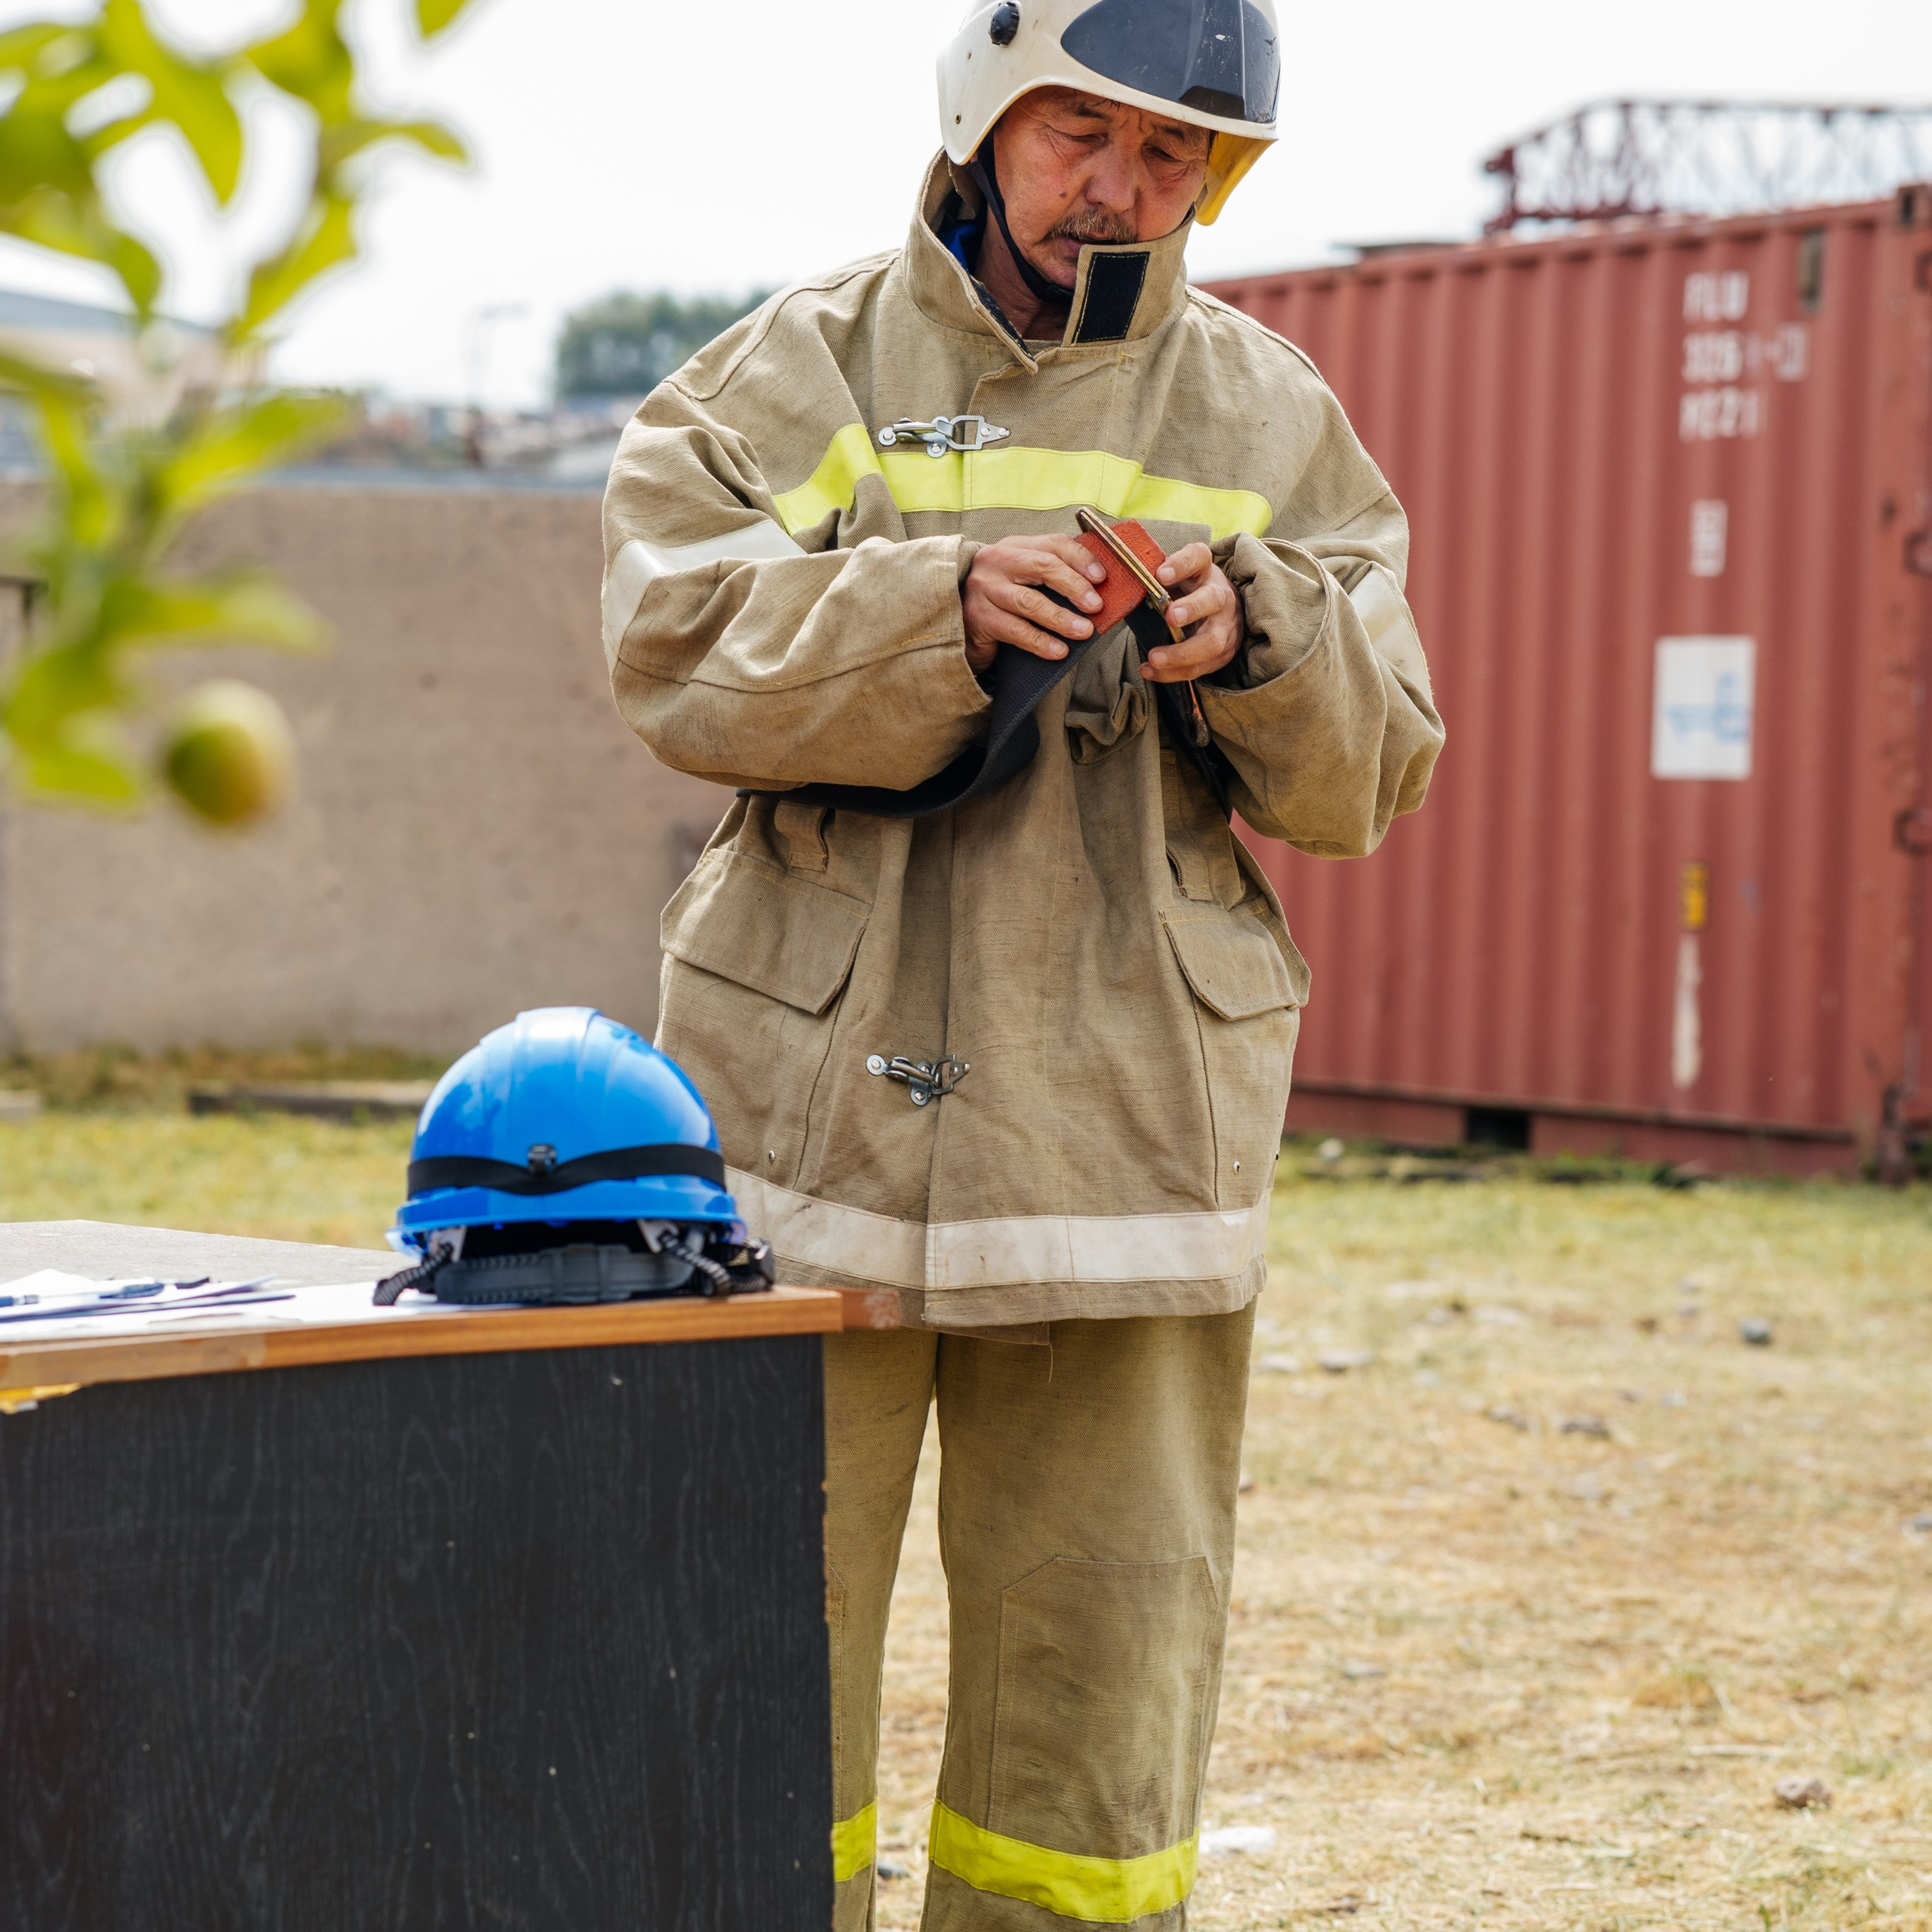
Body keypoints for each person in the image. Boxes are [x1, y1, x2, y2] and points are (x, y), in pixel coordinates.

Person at [601, 3, 1443, 1922]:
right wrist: (931, 608)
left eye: (1173, 159)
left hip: (1121, 1131)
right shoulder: (797, 367)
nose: (1123, 190)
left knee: (1098, 1700)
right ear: (987, 111)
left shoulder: (1264, 413)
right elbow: (666, 642)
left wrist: (1258, 638)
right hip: (799, 1123)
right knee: (742, 1650)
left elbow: (1374, 765)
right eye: (1088, 135)